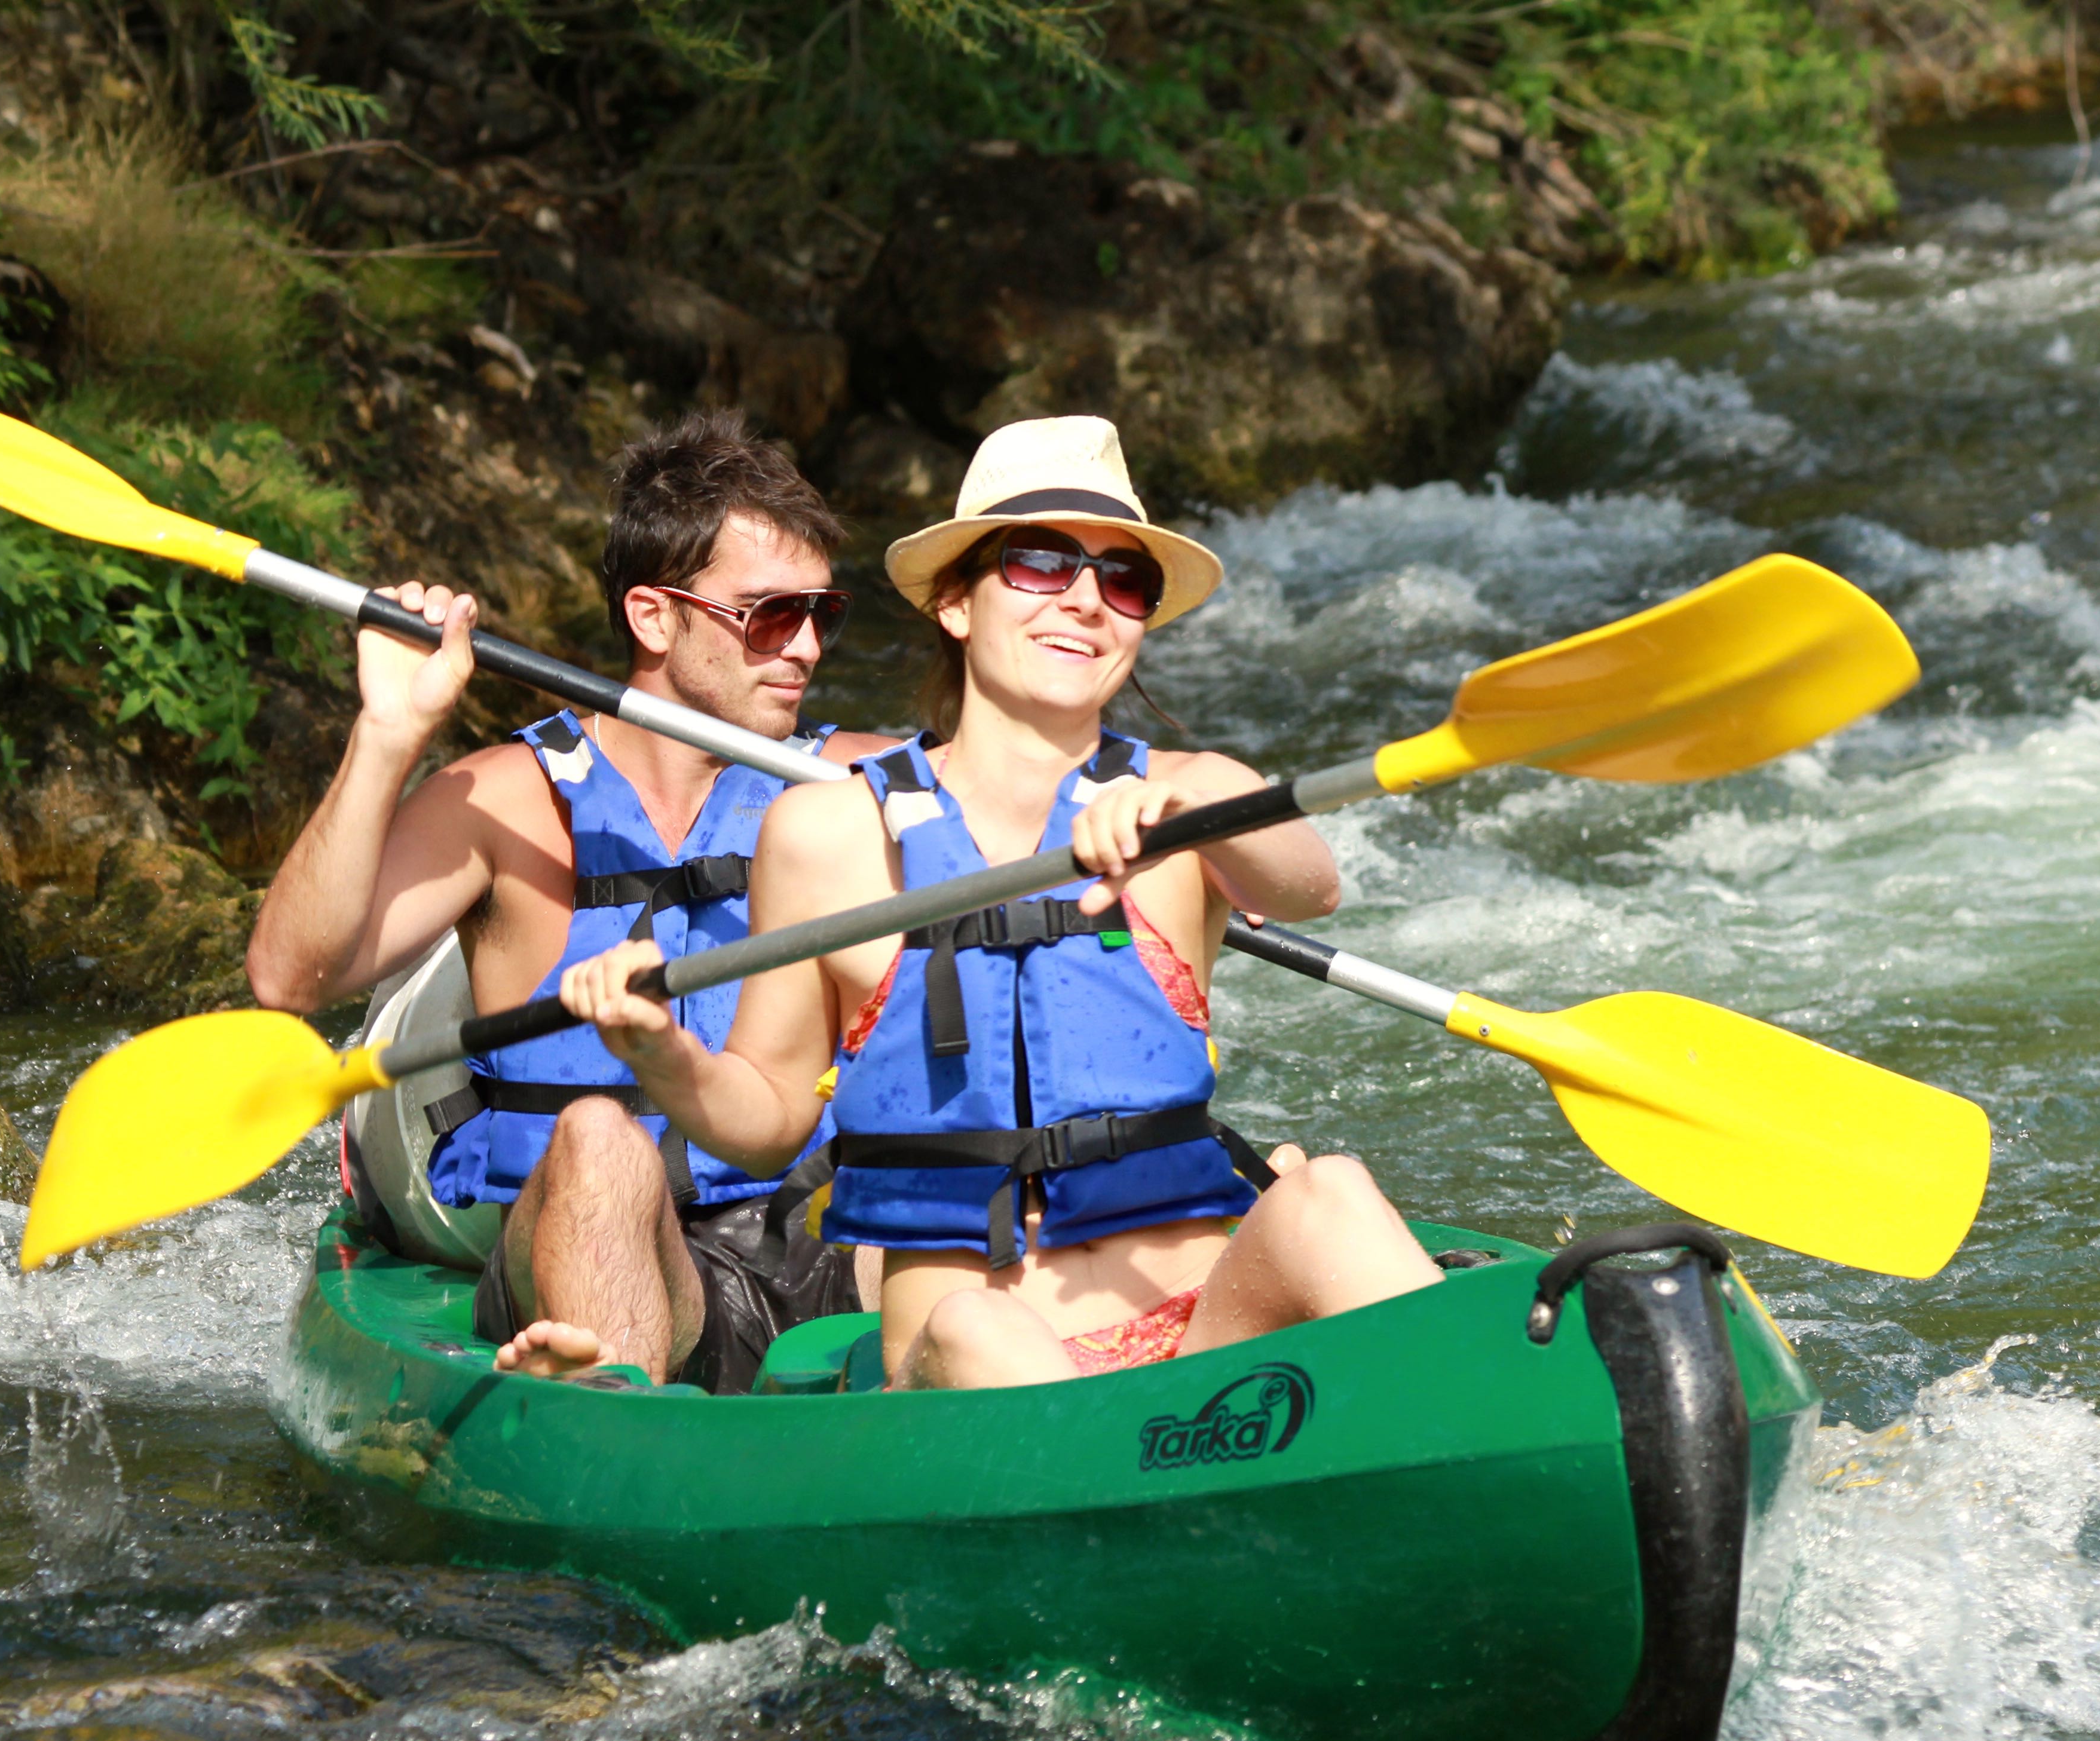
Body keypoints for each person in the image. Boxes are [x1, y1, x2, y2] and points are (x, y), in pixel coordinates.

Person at [553, 415, 1443, 1388]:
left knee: (1335, 1196)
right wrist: (660, 1051)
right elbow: (765, 1115)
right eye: (1038, 564)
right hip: (972, 1352)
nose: (1085, 602)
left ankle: (1522, 1448)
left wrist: (1185, 806)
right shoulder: (829, 833)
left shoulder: (1195, 794)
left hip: (1201, 1328)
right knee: (985, 1327)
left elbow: (1310, 886)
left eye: (1123, 579)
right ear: (956, 603)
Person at [245, 411, 893, 1388]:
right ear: (653, 617)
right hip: (581, 1244)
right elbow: (291, 976)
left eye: (822, 616)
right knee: (599, 1136)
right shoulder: (508, 801)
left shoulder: (856, 789)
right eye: (768, 616)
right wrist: (389, 731)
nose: (803, 647)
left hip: (809, 1232)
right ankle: (615, 1423)